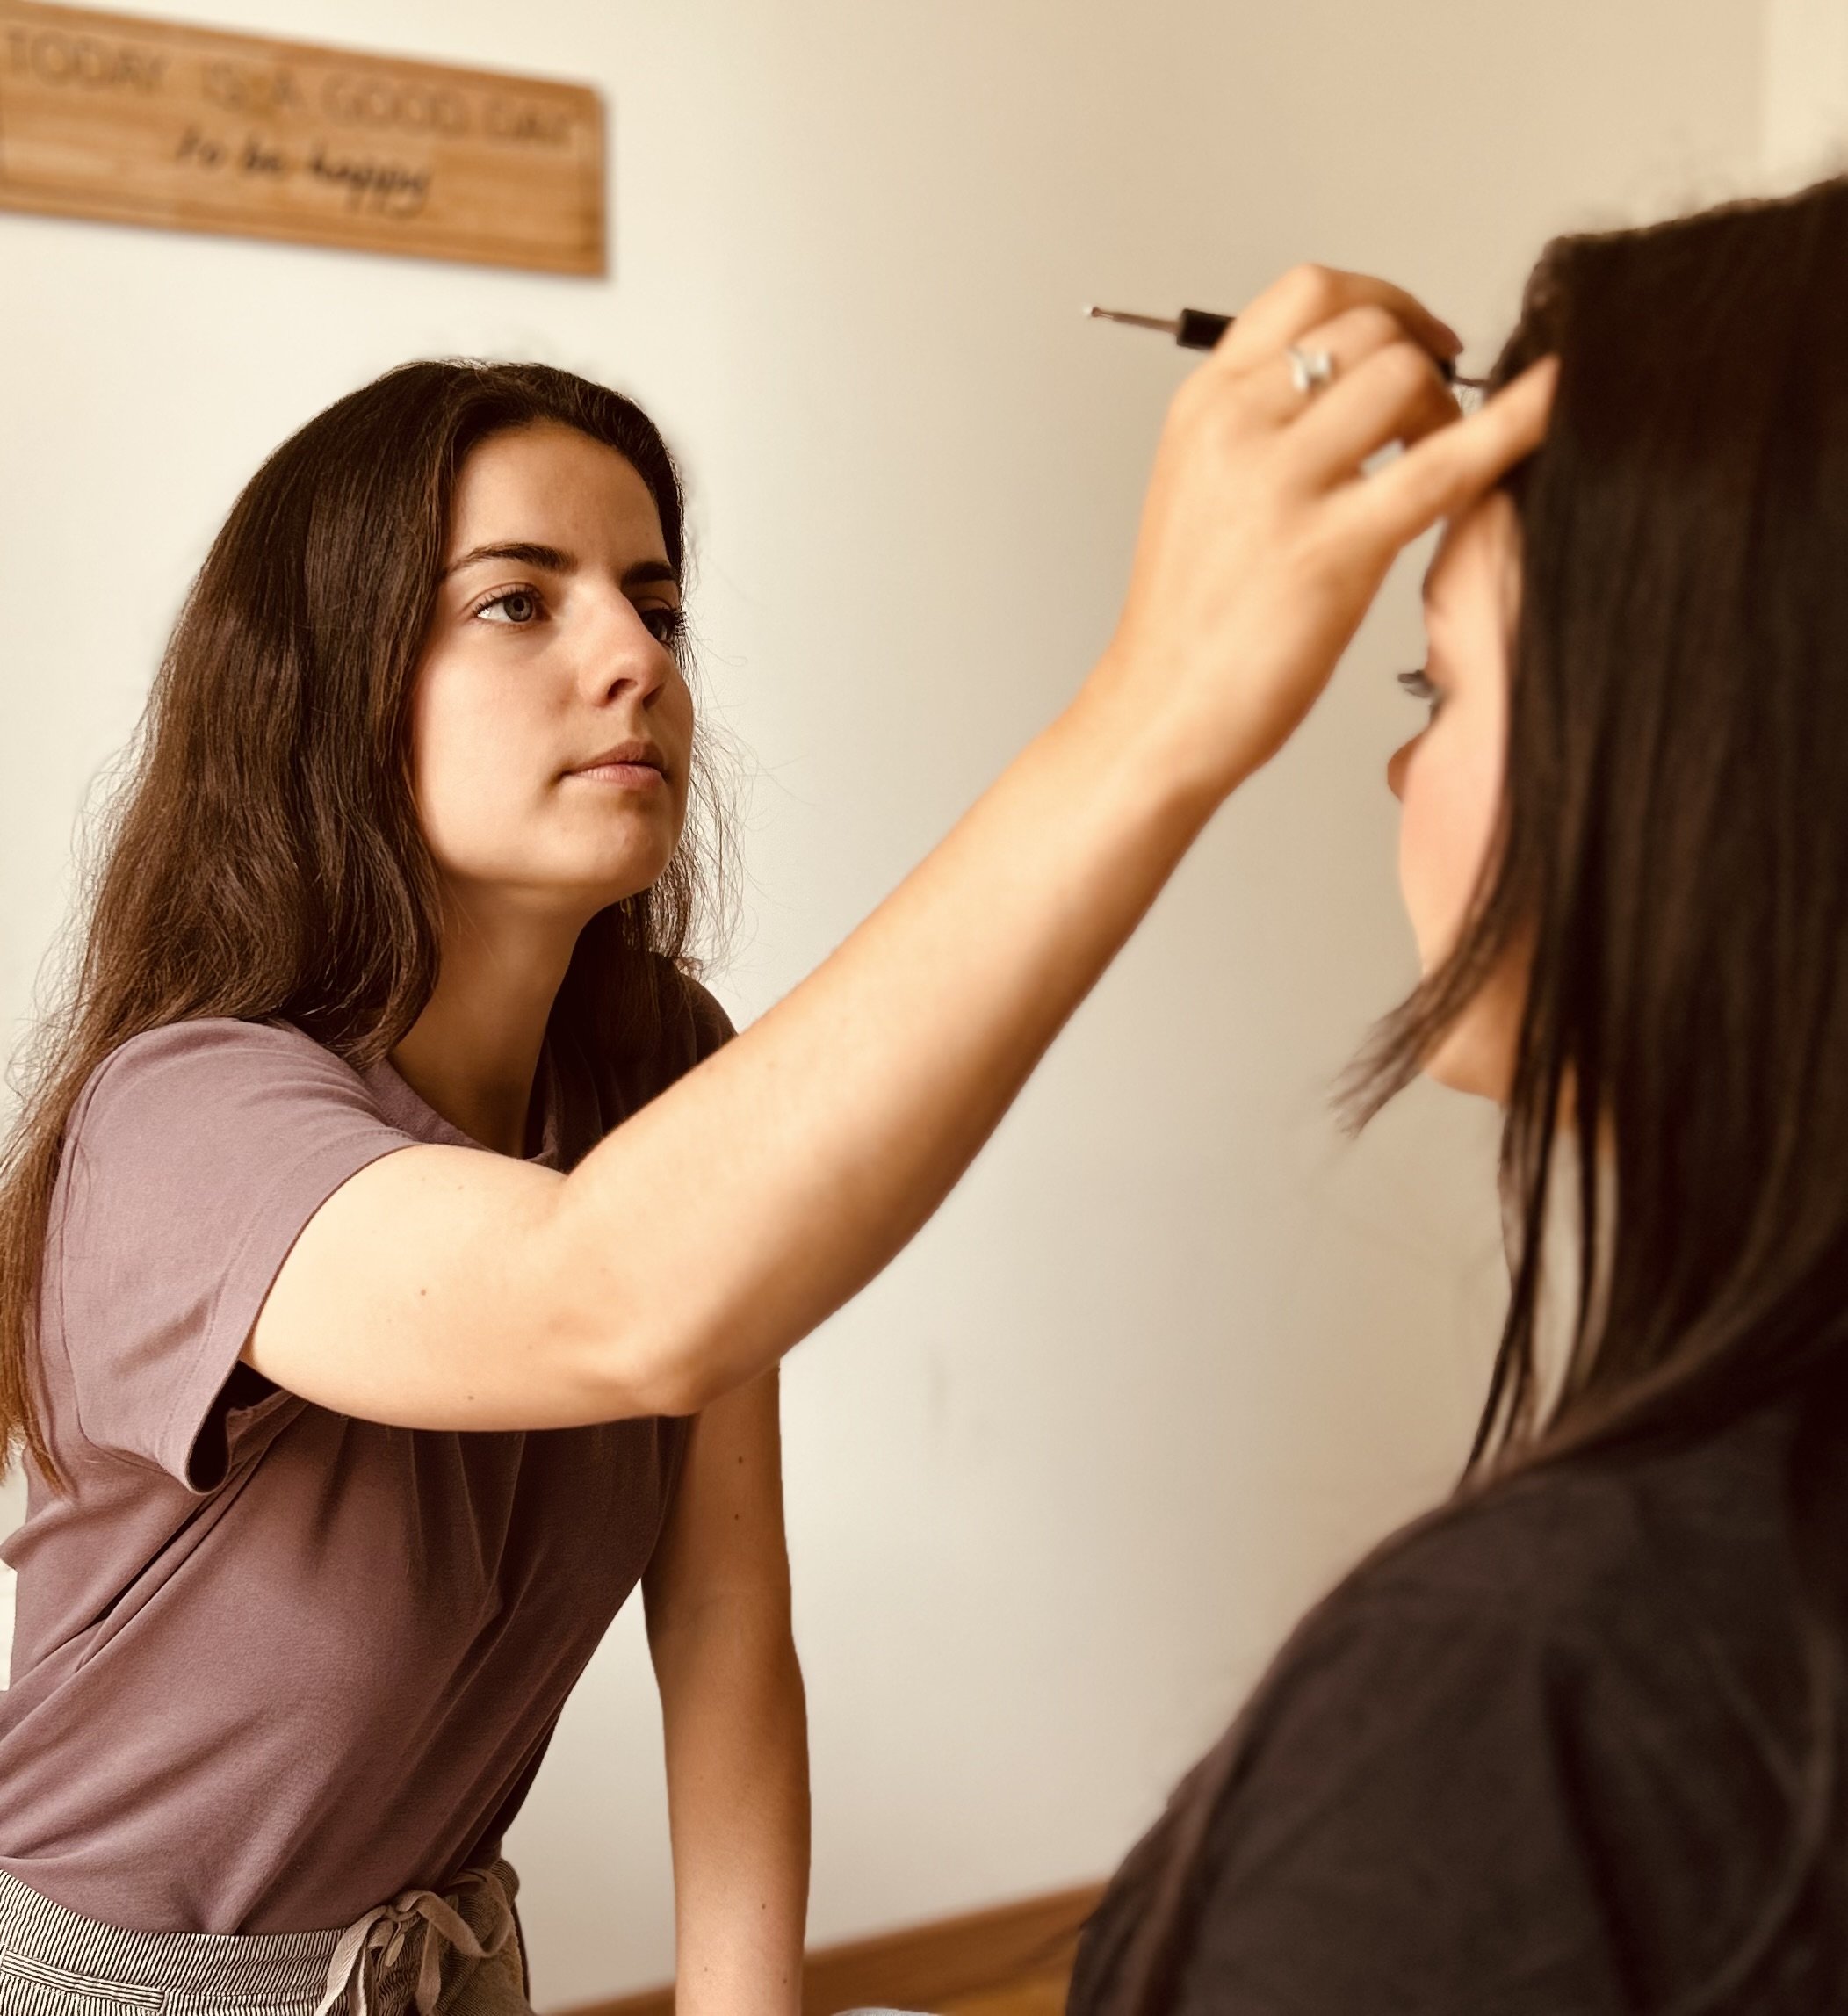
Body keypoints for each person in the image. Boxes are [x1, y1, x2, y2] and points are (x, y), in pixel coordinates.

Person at [0, 278, 1548, 2015]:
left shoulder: (660, 1067)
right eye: (518, 600)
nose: (634, 656)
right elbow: (607, 1294)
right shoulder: (183, 1122)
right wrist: (1160, 700)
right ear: (328, 692)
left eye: (653, 600)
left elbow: (726, 1630)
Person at [1065, 175, 1848, 2015]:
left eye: (1436, 676)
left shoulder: (1518, 1710)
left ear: (1695, 754)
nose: (1394, 765)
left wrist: (1149, 711)